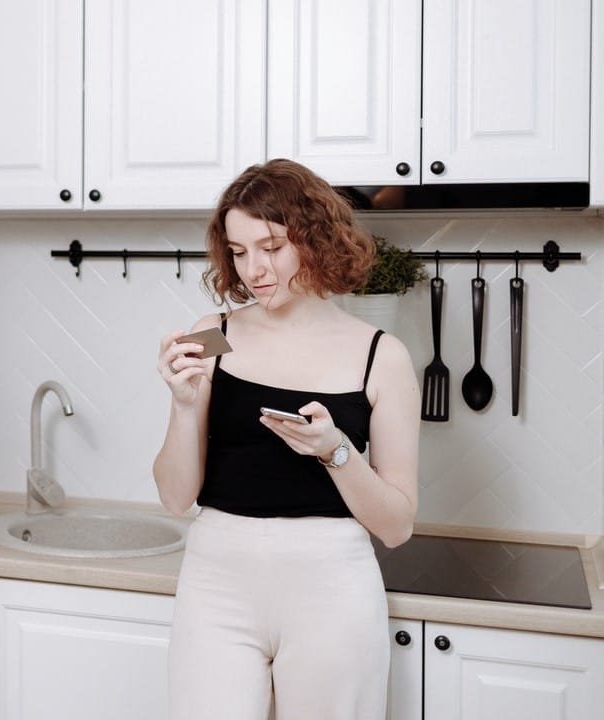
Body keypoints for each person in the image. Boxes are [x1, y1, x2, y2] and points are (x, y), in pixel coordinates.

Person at [153, 158, 420, 720]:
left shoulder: (380, 357)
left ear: (313, 238)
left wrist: (335, 452)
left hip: (332, 589)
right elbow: (176, 498)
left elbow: (397, 526)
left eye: (271, 247)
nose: (254, 269)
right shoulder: (214, 335)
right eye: (239, 251)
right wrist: (183, 405)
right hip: (216, 581)